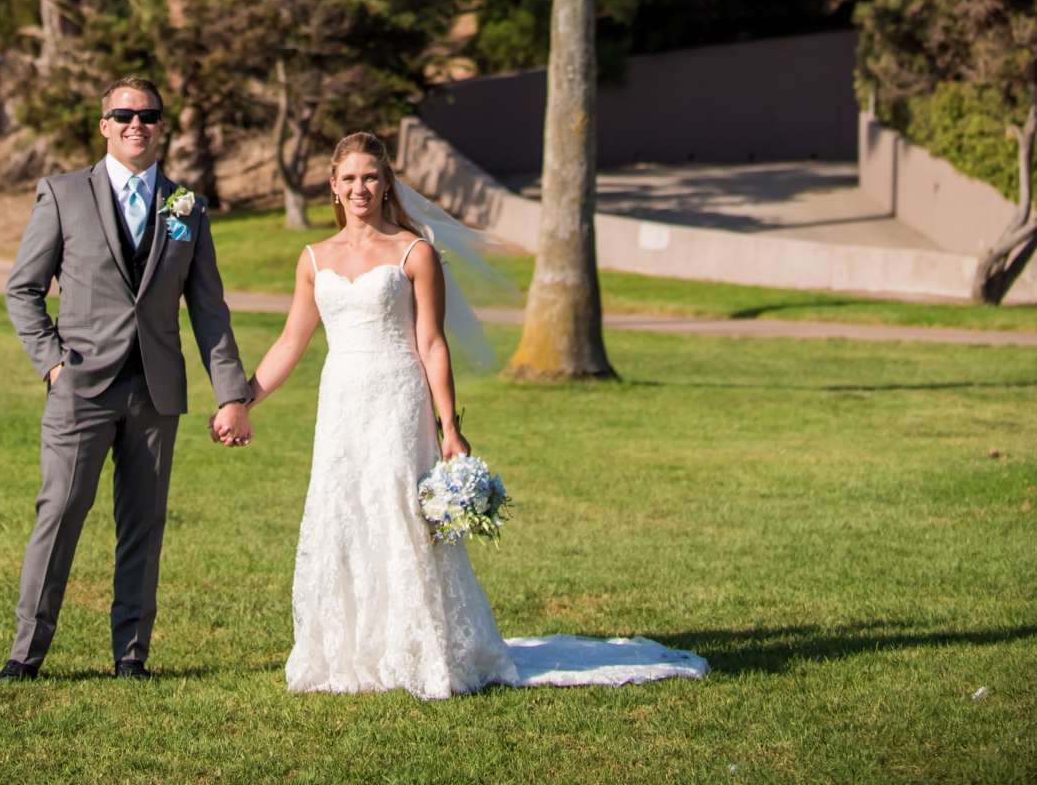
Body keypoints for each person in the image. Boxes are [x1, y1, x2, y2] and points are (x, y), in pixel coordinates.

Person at [233, 129, 708, 699]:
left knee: (398, 512)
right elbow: (291, 341)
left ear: (386, 184)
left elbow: (432, 344)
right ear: (332, 187)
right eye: (349, 179)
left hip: (396, 398)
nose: (360, 188)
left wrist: (450, 428)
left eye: (370, 177)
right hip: (340, 402)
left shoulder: (414, 252)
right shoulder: (314, 260)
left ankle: (419, 647)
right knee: (344, 509)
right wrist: (242, 400)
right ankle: (353, 649)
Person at [1, 75, 253, 681]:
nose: (136, 125)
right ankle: (25, 654)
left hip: (156, 392)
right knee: (59, 512)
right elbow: (23, 289)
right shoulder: (62, 194)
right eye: (124, 115)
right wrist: (54, 364)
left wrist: (231, 394)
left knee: (144, 524)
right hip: (80, 389)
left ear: (162, 127)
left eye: (148, 116)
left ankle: (131, 656)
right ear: (104, 125)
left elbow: (209, 308)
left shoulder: (186, 205)